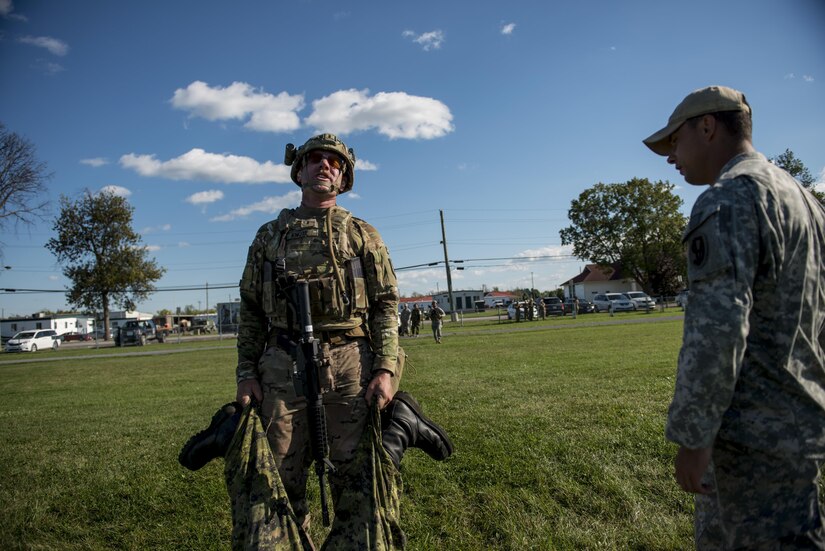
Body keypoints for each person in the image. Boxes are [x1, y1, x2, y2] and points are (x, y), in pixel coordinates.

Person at [232, 133, 453, 545]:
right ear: (299, 171)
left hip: (350, 361)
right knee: (277, 480)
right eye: (315, 159)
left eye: (335, 162)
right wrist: (247, 371)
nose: (325, 166)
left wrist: (386, 368)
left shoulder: (361, 233)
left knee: (358, 479)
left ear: (344, 177)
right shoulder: (269, 236)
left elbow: (386, 304)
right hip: (282, 365)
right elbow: (250, 311)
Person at [644, 85, 825, 549]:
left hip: (752, 436)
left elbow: (718, 331)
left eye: (674, 141)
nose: (670, 157)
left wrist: (694, 436)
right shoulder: (802, 199)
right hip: (797, 420)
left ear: (707, 127)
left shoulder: (728, 199)